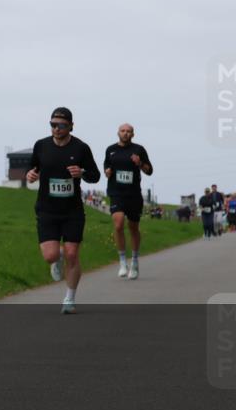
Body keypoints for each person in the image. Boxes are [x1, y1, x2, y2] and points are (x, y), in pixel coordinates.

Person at [25, 107, 100, 314]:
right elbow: (33, 168)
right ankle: (55, 260)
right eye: (53, 125)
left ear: (71, 126)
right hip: (47, 209)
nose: (56, 129)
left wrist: (82, 172)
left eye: (61, 125)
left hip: (72, 211)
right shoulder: (41, 146)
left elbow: (95, 175)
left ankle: (69, 298)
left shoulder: (81, 148)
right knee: (50, 255)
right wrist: (31, 175)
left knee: (72, 253)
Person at [103, 123, 153, 280]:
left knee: (133, 227)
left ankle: (135, 261)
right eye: (123, 131)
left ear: (133, 134)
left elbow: (149, 171)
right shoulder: (110, 150)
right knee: (118, 224)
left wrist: (140, 163)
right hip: (116, 192)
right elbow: (106, 166)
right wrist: (107, 171)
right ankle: (122, 261)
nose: (125, 133)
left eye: (128, 131)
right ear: (118, 132)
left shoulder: (138, 149)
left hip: (133, 194)